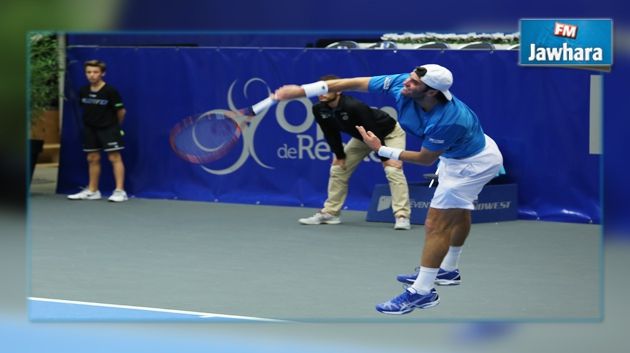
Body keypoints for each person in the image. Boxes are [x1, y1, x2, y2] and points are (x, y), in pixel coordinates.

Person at [274, 64, 503, 315]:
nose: (407, 83)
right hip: (459, 154)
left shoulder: (449, 120)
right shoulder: (402, 83)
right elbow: (352, 82)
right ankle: (448, 269)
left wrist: (381, 149)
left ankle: (422, 293)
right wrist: (302, 91)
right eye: (411, 78)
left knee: (436, 224)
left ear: (432, 93)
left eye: (415, 83)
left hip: (471, 165)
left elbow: (426, 158)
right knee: (459, 209)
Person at [298, 74, 411, 230]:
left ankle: (402, 216)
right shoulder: (319, 108)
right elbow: (330, 132)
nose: (321, 93)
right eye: (320, 90)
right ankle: (331, 213)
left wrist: (385, 158)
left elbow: (374, 130)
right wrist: (339, 155)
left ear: (338, 91)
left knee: (393, 170)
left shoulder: (354, 106)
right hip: (361, 137)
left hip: (388, 134)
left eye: (327, 89)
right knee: (338, 169)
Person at [67, 60, 128, 202]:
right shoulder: (83, 91)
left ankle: (120, 191)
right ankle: (93, 191)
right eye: (88, 72)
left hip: (109, 128)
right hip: (90, 129)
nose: (92, 75)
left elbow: (121, 111)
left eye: (95, 72)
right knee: (92, 158)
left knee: (114, 158)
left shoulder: (110, 91)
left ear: (102, 73)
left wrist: (116, 127)